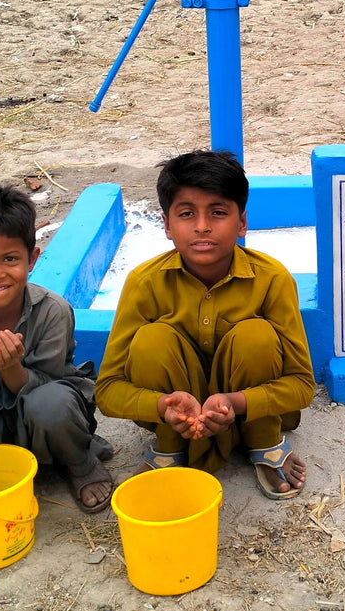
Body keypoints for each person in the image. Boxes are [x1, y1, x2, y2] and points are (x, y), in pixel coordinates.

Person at [95, 150, 314, 499]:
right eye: (186, 214)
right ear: (166, 225)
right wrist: (163, 406)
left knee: (255, 335)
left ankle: (264, 441)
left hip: (247, 408)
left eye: (218, 212)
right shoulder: (144, 282)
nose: (202, 226)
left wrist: (234, 401)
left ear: (241, 222)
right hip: (175, 420)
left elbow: (303, 385)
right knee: (152, 340)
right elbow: (107, 390)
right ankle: (170, 447)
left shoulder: (272, 279)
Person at [0, 186, 114, 514]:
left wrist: (13, 369)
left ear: (32, 258)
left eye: (10, 259)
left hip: (47, 415)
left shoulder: (52, 311)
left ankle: (79, 463)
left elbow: (55, 385)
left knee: (52, 403)